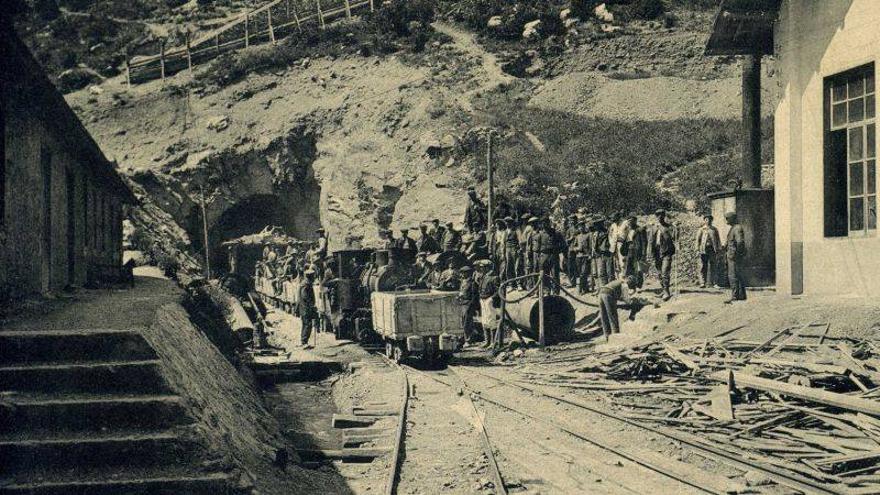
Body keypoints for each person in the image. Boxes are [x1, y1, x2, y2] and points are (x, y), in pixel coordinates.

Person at [598, 276, 640, 341]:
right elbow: (627, 300)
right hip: (608, 295)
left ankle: (607, 336)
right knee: (613, 317)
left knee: (604, 317)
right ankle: (616, 336)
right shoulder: (625, 285)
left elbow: (620, 296)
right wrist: (634, 302)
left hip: (601, 293)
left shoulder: (619, 281)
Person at [475, 260, 501, 348]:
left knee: (491, 321)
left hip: (489, 300)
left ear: (488, 267)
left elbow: (498, 291)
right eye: (482, 267)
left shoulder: (494, 277)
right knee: (484, 321)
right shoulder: (483, 276)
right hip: (483, 300)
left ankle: (493, 342)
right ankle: (487, 341)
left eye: (484, 267)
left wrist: (491, 298)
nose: (482, 269)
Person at [651, 209, 676, 301]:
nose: (659, 217)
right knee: (659, 273)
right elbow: (651, 240)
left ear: (664, 216)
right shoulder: (654, 227)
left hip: (666, 251)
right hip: (657, 252)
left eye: (661, 215)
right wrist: (650, 251)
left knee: (665, 271)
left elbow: (671, 238)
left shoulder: (668, 227)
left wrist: (661, 227)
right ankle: (663, 289)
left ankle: (666, 291)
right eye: (657, 215)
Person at [724, 211, 747, 303]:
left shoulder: (737, 228)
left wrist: (736, 253)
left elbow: (740, 242)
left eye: (728, 218)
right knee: (737, 275)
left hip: (734, 256)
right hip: (733, 254)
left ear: (733, 219)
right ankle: (741, 295)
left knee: (733, 275)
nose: (726, 221)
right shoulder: (734, 228)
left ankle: (735, 296)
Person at [696, 213, 721, 288]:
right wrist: (697, 249)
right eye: (706, 219)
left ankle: (715, 283)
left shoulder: (714, 229)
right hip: (703, 249)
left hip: (712, 249)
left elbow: (718, 240)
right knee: (703, 266)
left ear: (711, 220)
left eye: (709, 219)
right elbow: (697, 240)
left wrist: (719, 249)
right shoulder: (701, 229)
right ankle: (702, 282)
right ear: (704, 220)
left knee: (714, 266)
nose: (708, 221)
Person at [622, 215, 648, 290]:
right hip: (629, 251)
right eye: (628, 221)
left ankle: (639, 285)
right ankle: (631, 285)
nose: (629, 222)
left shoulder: (640, 230)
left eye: (631, 221)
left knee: (638, 269)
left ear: (635, 221)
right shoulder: (628, 230)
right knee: (629, 269)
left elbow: (644, 243)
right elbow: (626, 241)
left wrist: (643, 253)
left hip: (637, 251)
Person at [456, 265, 479, 344]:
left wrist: (471, 306)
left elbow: (474, 296)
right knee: (464, 322)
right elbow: (461, 291)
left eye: (463, 273)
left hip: (468, 304)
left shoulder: (472, 283)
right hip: (463, 304)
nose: (462, 275)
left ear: (468, 273)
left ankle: (468, 340)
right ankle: (468, 338)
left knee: (467, 323)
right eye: (461, 273)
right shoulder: (463, 282)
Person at [591, 217, 614, 288]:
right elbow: (594, 245)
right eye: (595, 225)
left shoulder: (608, 232)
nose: (596, 226)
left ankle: (611, 288)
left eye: (598, 224)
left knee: (609, 272)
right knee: (601, 273)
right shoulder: (595, 234)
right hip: (599, 255)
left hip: (608, 254)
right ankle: (604, 288)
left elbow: (612, 242)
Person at [298, 269, 318, 348]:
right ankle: (304, 342)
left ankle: (303, 341)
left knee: (305, 324)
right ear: (310, 276)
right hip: (306, 307)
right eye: (313, 276)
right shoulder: (306, 284)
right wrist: (311, 305)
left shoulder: (304, 283)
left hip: (303, 307)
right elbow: (305, 296)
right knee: (307, 324)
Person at [573, 220, 593, 294]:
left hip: (585, 256)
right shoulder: (577, 236)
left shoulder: (588, 235)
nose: (581, 228)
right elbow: (574, 246)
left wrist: (590, 255)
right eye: (579, 227)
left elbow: (591, 246)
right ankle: (585, 288)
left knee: (584, 273)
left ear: (584, 226)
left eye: (582, 226)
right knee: (579, 273)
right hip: (578, 256)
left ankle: (581, 289)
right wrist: (576, 249)